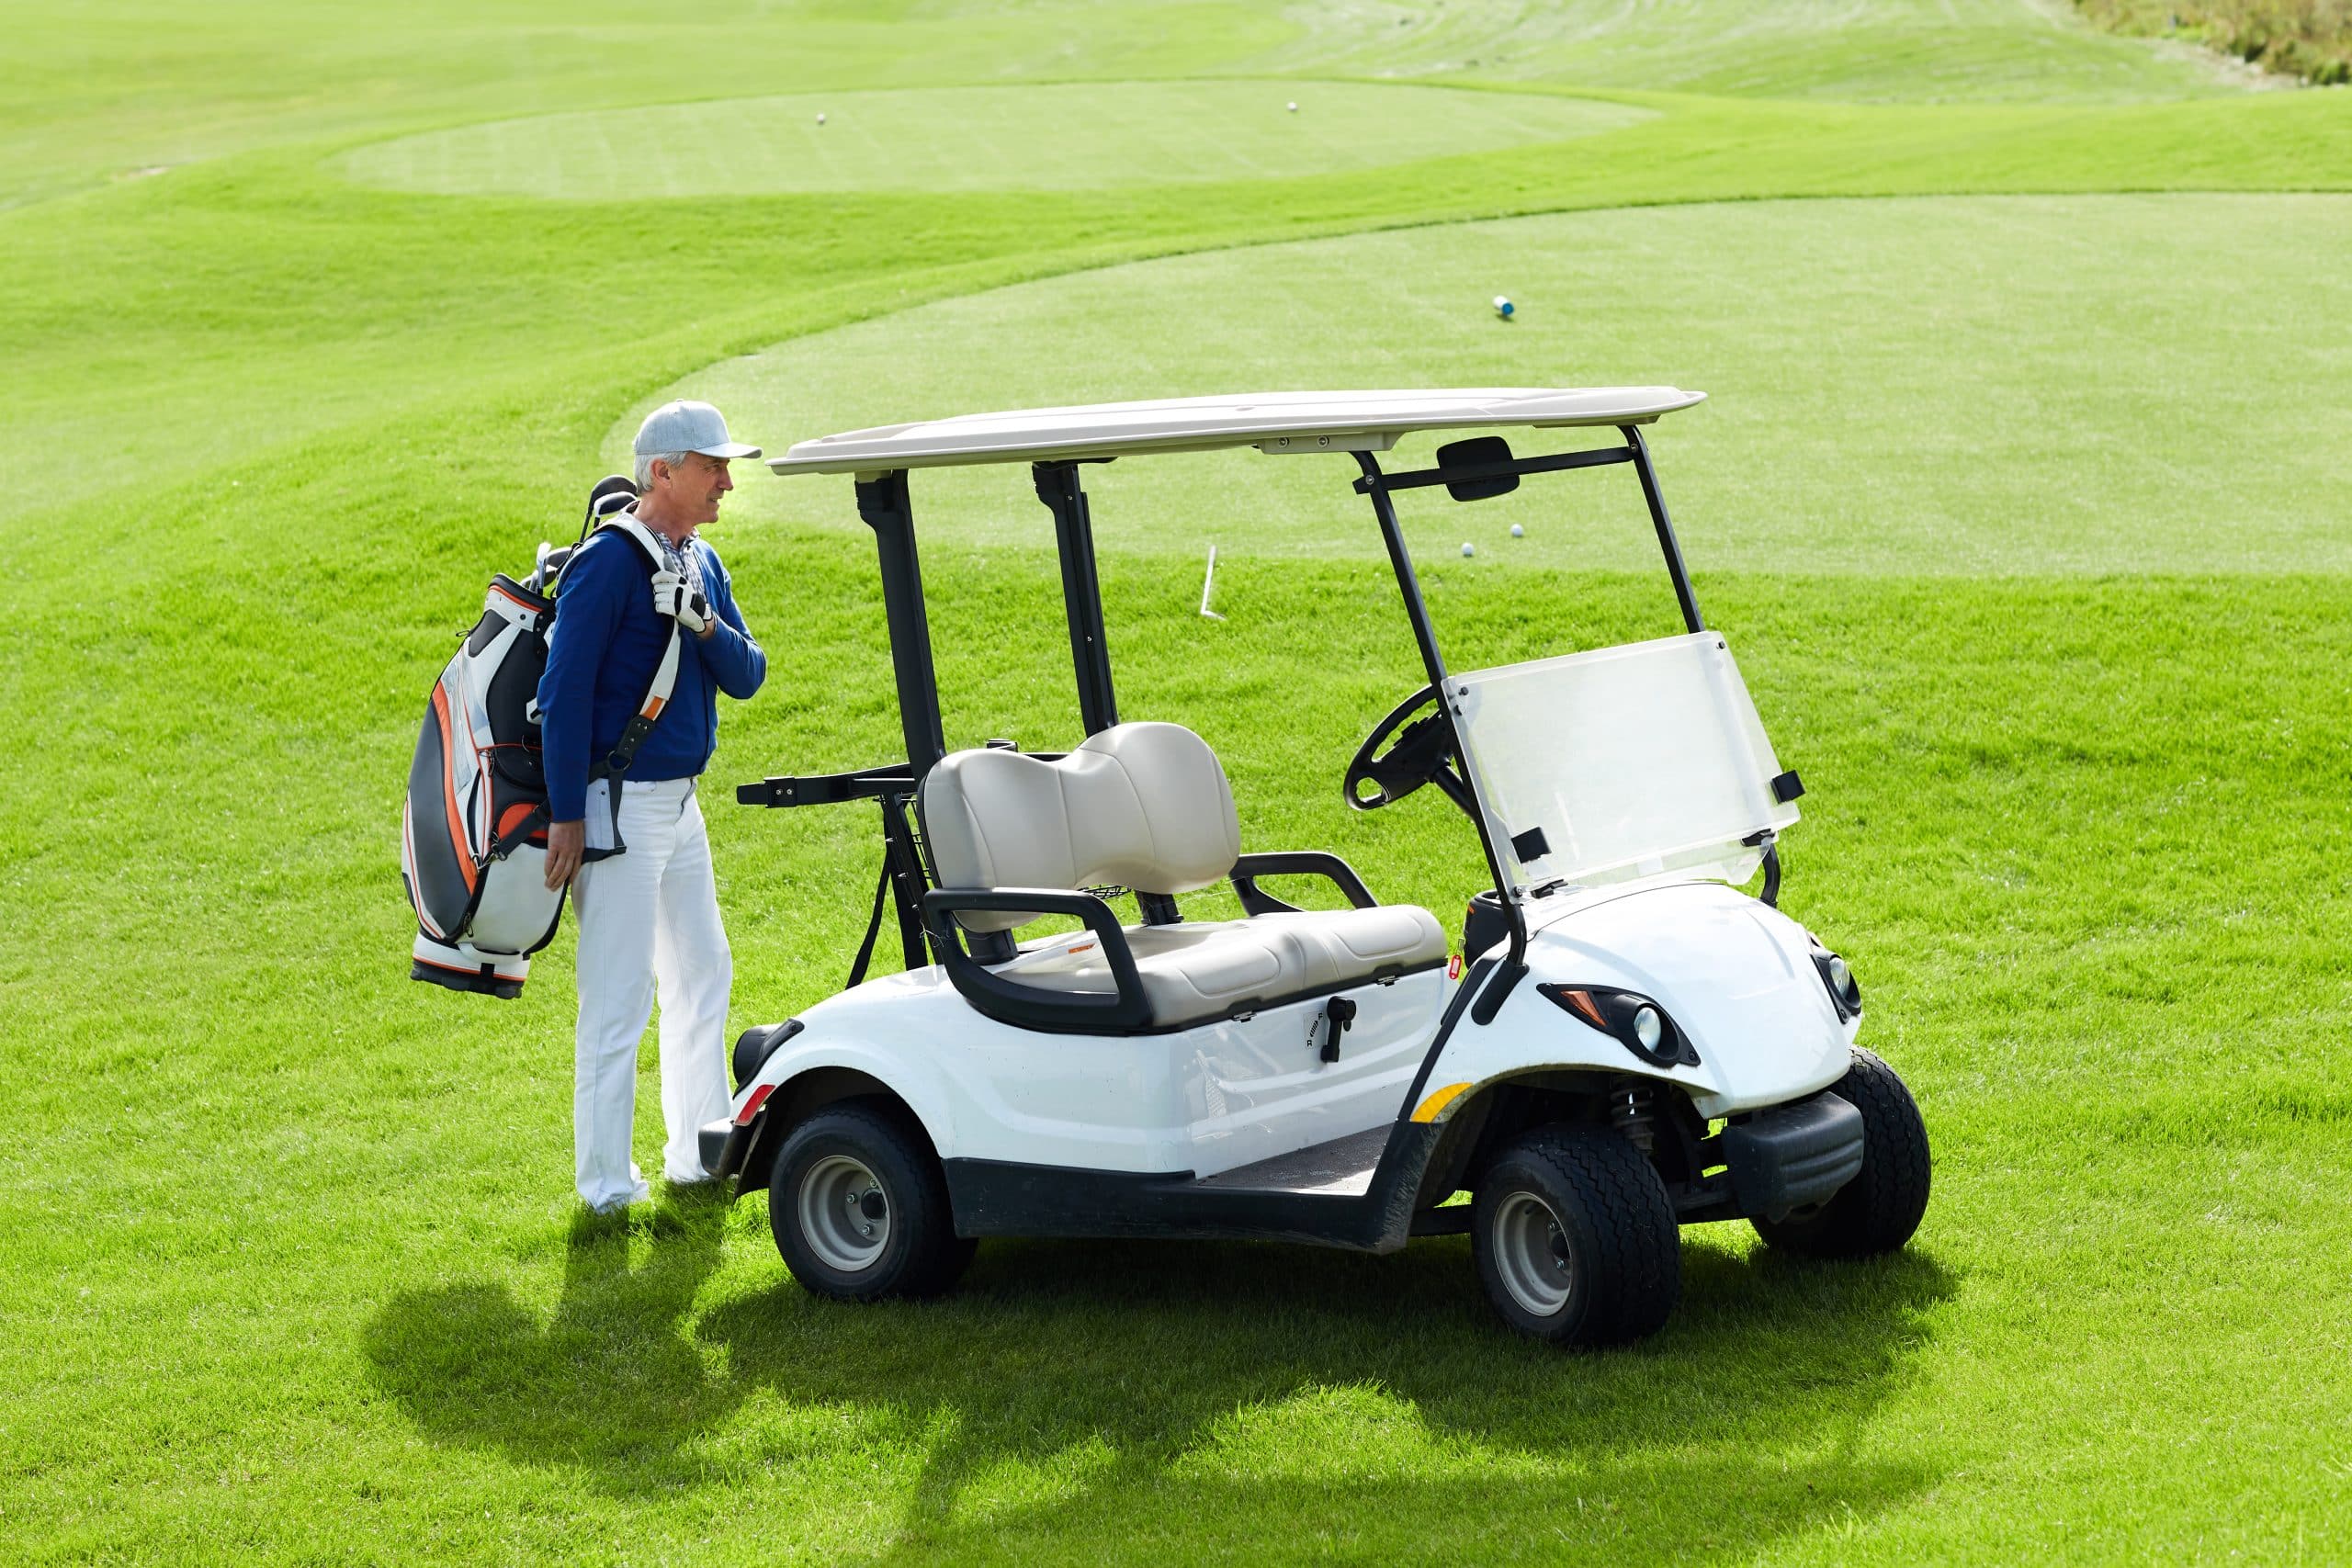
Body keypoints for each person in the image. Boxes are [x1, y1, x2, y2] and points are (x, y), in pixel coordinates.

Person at [538, 400, 768, 1213]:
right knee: (618, 996)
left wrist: (704, 625)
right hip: (618, 808)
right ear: (662, 472)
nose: (728, 483)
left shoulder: (702, 561)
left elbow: (749, 673)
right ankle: (604, 1188)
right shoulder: (606, 563)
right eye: (713, 467)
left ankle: (695, 1152)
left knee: (703, 968)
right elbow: (561, 695)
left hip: (680, 809)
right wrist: (568, 813)